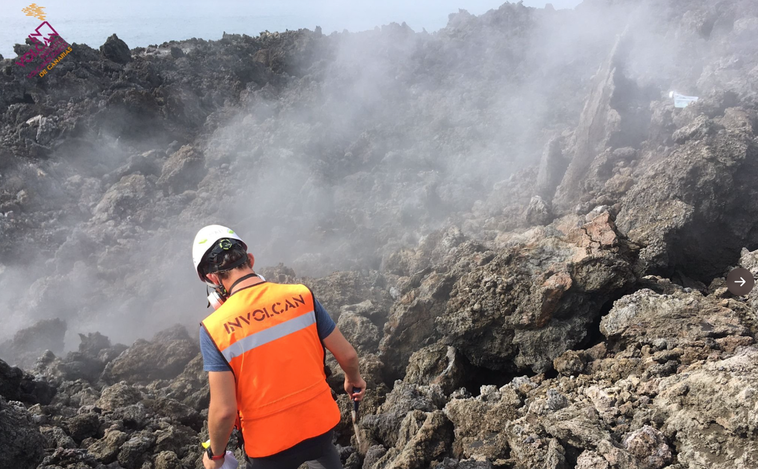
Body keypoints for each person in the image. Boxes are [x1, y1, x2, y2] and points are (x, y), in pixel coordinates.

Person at [192, 225, 366, 469]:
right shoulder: (301, 296)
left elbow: (224, 411)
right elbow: (347, 355)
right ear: (250, 259)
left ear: (211, 278)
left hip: (268, 448)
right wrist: (353, 379)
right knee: (324, 455)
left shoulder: (214, 329)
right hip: (320, 428)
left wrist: (216, 456)